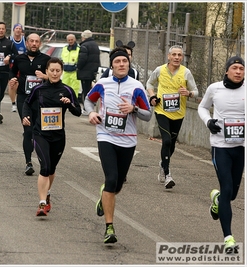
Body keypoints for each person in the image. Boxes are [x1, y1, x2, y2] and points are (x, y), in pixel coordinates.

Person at [85, 47, 152, 244]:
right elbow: (88, 101)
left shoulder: (136, 86)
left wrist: (134, 108)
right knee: (111, 179)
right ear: (112, 65)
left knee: (118, 184)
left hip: (128, 139)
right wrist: (91, 113)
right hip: (106, 135)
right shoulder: (103, 84)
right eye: (117, 62)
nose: (121, 64)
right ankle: (109, 227)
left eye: (124, 61)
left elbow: (148, 116)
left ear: (128, 64)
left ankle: (104, 197)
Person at [22, 57, 82, 216]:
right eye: (52, 70)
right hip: (41, 133)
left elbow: (78, 112)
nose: (55, 73)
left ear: (61, 72)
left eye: (58, 71)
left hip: (58, 136)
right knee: (45, 167)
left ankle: (47, 194)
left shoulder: (68, 90)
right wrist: (25, 116)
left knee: (52, 169)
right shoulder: (38, 89)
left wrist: (68, 104)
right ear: (46, 71)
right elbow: (27, 103)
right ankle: (42, 203)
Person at [197, 56, 245, 251]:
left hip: (241, 147)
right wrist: (208, 122)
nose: (239, 71)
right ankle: (228, 238)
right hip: (220, 146)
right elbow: (202, 107)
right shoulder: (214, 88)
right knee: (226, 189)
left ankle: (217, 201)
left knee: (231, 194)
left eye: (242, 68)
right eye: (235, 68)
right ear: (227, 71)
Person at [146, 45, 198, 189]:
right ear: (168, 56)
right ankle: (168, 175)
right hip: (162, 111)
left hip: (178, 113)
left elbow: (196, 91)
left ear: (182, 57)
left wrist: (188, 93)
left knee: (172, 145)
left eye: (179, 55)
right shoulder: (159, 70)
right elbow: (149, 83)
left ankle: (163, 164)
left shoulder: (186, 73)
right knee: (167, 140)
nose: (176, 57)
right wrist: (152, 96)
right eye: (174, 55)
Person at [8, 33, 50, 176]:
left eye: (36, 41)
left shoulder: (46, 60)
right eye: (31, 41)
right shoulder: (19, 59)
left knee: (39, 131)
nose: (34, 44)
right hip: (24, 100)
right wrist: (13, 79)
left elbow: (55, 77)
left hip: (40, 101)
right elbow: (12, 72)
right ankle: (28, 163)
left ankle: (41, 155)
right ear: (26, 43)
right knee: (27, 130)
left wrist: (45, 77)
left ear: (40, 44)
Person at [77, 30, 100, 112]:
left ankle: (86, 108)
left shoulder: (84, 46)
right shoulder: (95, 45)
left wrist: (78, 67)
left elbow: (82, 59)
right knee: (89, 89)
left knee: (85, 90)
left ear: (84, 37)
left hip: (85, 71)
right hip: (92, 71)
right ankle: (88, 107)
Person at [8, 23, 27, 112]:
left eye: (20, 28)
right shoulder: (10, 40)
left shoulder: (24, 40)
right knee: (12, 84)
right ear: (13, 30)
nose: (18, 30)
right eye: (17, 28)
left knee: (20, 84)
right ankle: (13, 103)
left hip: (22, 65)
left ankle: (21, 102)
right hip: (12, 65)